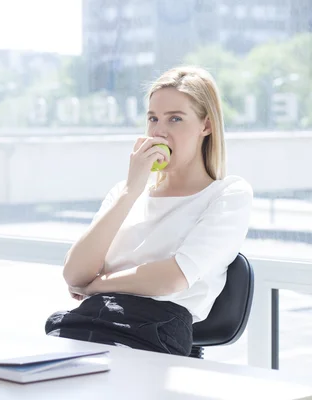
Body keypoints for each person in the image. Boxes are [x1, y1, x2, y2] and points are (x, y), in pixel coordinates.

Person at [45, 66, 253, 356]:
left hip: (155, 335)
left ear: (205, 126)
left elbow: (173, 278)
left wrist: (96, 286)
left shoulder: (228, 194)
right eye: (153, 118)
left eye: (175, 119)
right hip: (96, 325)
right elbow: (74, 273)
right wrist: (132, 191)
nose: (158, 131)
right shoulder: (126, 191)